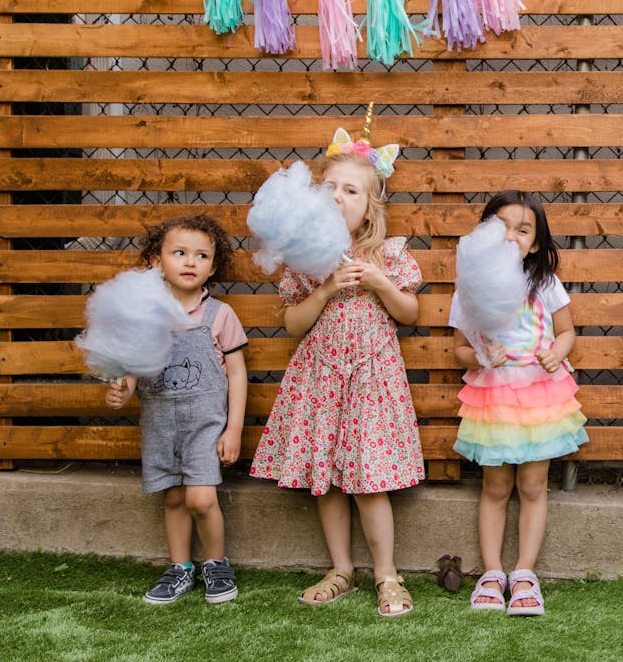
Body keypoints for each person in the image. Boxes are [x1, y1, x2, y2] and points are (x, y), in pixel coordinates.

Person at [250, 130, 424, 617]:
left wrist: (380, 283)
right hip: (321, 380)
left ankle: (387, 573)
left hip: (370, 382)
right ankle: (341, 569)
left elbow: (409, 312)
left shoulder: (387, 254)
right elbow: (293, 324)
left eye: (351, 191)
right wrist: (325, 289)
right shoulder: (305, 260)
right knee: (324, 478)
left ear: (369, 209)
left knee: (370, 481)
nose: (338, 196)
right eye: (330, 187)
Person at [452, 191, 588, 616]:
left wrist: (558, 352)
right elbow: (458, 348)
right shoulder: (471, 286)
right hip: (493, 396)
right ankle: (492, 573)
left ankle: (525, 573)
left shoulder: (544, 284)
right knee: (494, 488)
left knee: (532, 487)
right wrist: (478, 356)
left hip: (539, 396)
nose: (511, 236)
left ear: (535, 243)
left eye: (523, 229)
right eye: (502, 226)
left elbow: (566, 332)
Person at [106, 214, 248, 605]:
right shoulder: (145, 316)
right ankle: (180, 568)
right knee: (172, 498)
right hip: (160, 426)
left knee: (201, 499)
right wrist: (124, 389)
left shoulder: (219, 315)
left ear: (213, 268)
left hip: (204, 425)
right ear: (156, 261)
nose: (190, 262)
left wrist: (233, 428)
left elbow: (236, 374)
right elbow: (135, 369)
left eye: (201, 256)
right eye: (180, 253)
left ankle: (216, 564)